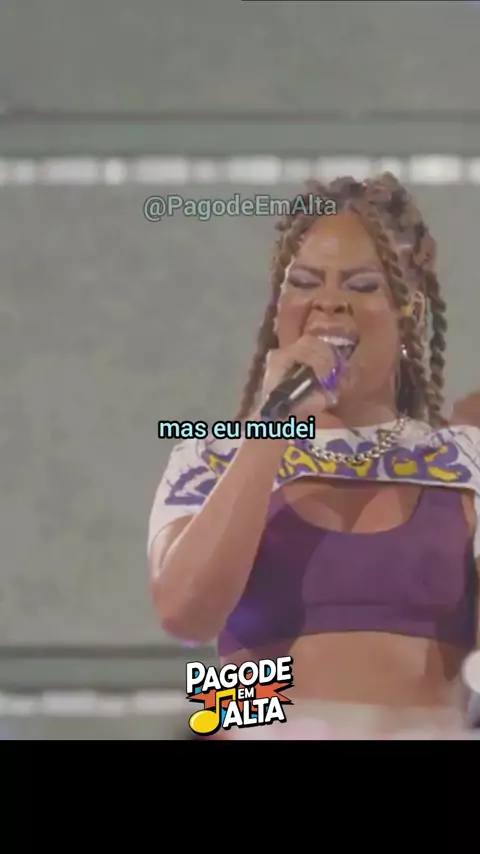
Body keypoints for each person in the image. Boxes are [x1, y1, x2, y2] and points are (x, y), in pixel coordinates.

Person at [148, 172, 480, 736]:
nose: (329, 301)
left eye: (363, 285)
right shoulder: (212, 457)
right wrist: (272, 427)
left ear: (413, 312)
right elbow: (185, 616)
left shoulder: (463, 459)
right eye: (303, 282)